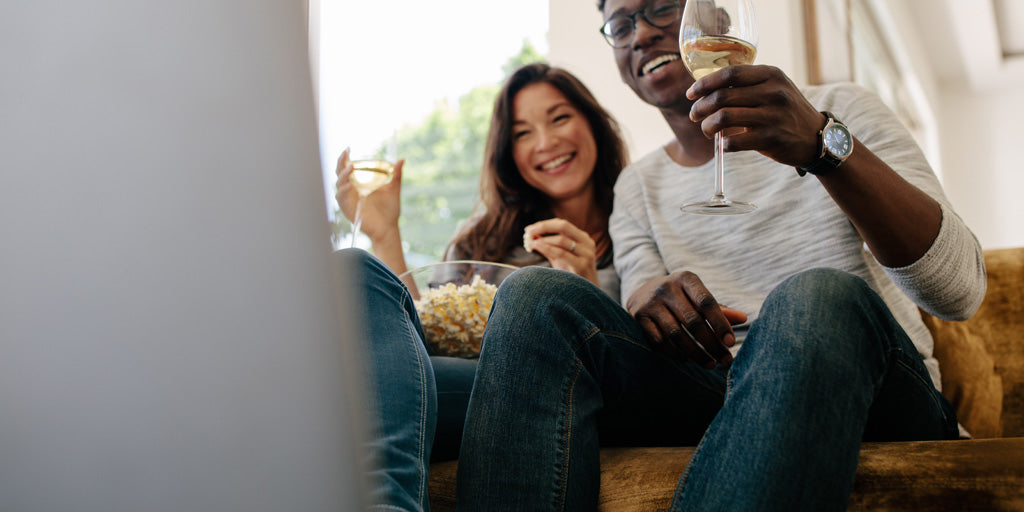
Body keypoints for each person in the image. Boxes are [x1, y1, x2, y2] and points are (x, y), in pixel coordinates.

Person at [454, 1, 988, 510]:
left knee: (812, 295)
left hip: (876, 389)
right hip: (719, 395)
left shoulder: (843, 110)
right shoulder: (637, 187)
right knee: (534, 296)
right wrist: (648, 301)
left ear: (717, 20)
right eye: (620, 25)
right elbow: (641, 292)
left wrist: (822, 146)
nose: (640, 33)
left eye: (662, 8)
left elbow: (959, 291)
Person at [335, 62, 629, 511]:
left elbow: (637, 361)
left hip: (559, 383)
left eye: (559, 118)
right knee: (353, 269)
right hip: (446, 375)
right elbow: (423, 327)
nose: (546, 143)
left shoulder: (634, 225)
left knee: (369, 389)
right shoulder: (480, 239)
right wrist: (384, 234)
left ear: (593, 122)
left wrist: (582, 286)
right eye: (522, 132)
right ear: (507, 152)